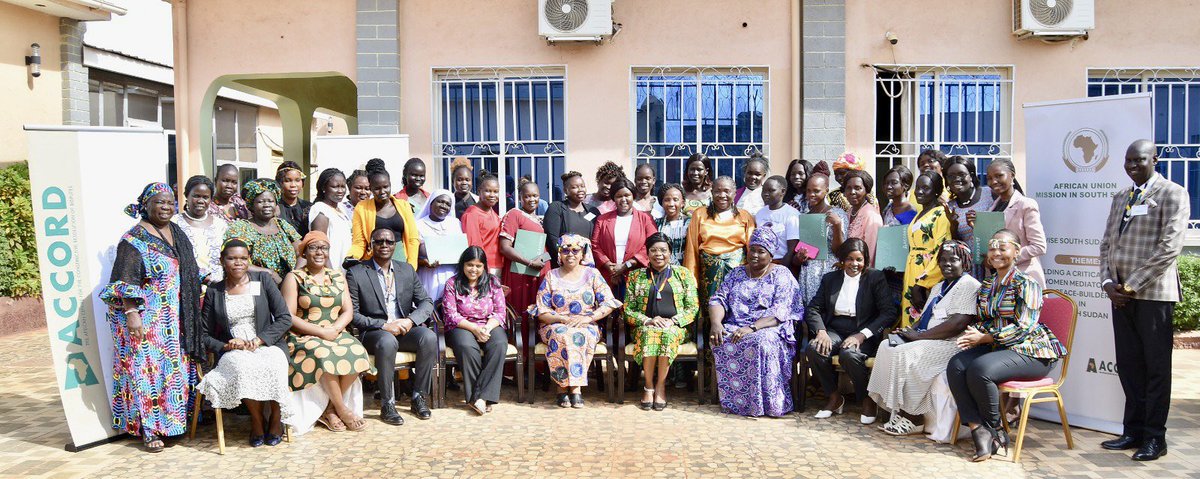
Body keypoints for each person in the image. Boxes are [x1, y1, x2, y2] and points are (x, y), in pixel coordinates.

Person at [1098, 139, 1190, 461]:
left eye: (1139, 160)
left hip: (1152, 295)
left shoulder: (1173, 193)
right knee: (1129, 365)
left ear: (1155, 159)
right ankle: (1132, 431)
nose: (1132, 166)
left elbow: (1169, 248)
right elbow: (1108, 243)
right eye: (1128, 161)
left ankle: (1155, 438)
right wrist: (1108, 282)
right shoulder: (1121, 196)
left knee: (1155, 369)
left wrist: (1132, 285)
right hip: (1120, 296)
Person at [947, 229, 1066, 462]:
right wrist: (975, 333)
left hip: (1032, 352)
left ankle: (995, 431)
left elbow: (1025, 327)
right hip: (999, 348)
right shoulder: (987, 284)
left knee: (980, 369)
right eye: (992, 248)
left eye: (1003, 247)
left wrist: (985, 339)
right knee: (957, 365)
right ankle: (976, 428)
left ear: (1016, 251)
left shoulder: (1026, 283)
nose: (997, 253)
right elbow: (984, 320)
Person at [100, 182, 201, 452]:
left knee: (171, 375)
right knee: (145, 374)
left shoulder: (176, 231)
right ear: (145, 205)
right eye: (159, 202)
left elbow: (188, 271)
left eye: (170, 202)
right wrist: (133, 314)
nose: (166, 207)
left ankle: (172, 425)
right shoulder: (133, 239)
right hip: (146, 321)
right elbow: (125, 281)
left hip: (173, 321)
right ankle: (149, 430)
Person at [867, 240, 980, 437]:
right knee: (887, 345)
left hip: (952, 343)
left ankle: (913, 417)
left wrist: (918, 337)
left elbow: (959, 323)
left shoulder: (969, 285)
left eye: (953, 260)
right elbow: (925, 317)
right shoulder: (939, 287)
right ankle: (891, 408)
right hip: (928, 338)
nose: (947, 264)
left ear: (966, 263)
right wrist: (907, 332)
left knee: (904, 353)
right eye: (942, 260)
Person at [197, 239, 295, 447]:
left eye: (243, 258)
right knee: (242, 367)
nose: (238, 263)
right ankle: (258, 421)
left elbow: (284, 318)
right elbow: (204, 334)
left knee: (275, 363)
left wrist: (260, 340)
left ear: (248, 260)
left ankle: (276, 419)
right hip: (234, 350)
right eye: (232, 258)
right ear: (223, 261)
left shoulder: (262, 281)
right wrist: (225, 346)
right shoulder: (215, 291)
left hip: (268, 344)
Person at [282, 231, 375, 433]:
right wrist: (320, 332)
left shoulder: (337, 276)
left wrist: (335, 328)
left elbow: (348, 310)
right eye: (313, 247)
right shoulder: (294, 277)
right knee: (323, 353)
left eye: (323, 248)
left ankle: (330, 409)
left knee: (357, 351)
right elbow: (289, 317)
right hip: (303, 334)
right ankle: (342, 409)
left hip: (334, 331)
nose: (319, 252)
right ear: (304, 253)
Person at [345, 228, 437, 424]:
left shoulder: (406, 270)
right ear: (371, 245)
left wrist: (410, 321)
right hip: (373, 333)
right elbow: (354, 314)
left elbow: (426, 302)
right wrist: (384, 325)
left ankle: (419, 397)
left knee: (428, 337)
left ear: (396, 245)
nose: (384, 245)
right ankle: (387, 403)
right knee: (387, 341)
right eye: (379, 242)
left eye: (389, 242)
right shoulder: (356, 273)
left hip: (403, 328)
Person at [709, 227, 801, 417]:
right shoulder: (736, 274)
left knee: (761, 341)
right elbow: (718, 299)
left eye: (761, 251)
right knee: (722, 338)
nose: (755, 255)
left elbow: (780, 311)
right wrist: (716, 323)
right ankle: (738, 403)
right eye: (753, 250)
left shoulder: (782, 274)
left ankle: (768, 405)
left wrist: (752, 327)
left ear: (771, 253)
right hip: (737, 325)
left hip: (771, 327)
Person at [805, 239, 896, 423]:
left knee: (849, 355)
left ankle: (866, 399)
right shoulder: (830, 279)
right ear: (842, 260)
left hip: (863, 330)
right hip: (835, 328)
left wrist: (862, 335)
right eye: (849, 259)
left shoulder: (875, 278)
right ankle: (834, 397)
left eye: (859, 260)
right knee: (814, 349)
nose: (854, 264)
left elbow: (888, 312)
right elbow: (813, 308)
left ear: (866, 260)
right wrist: (821, 332)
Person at [530, 234, 622, 408]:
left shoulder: (592, 274)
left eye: (575, 250)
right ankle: (562, 388)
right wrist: (562, 318)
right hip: (555, 323)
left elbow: (609, 302)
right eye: (565, 250)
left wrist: (588, 318)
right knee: (562, 335)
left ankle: (575, 388)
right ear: (559, 254)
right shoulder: (551, 276)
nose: (570, 254)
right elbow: (541, 310)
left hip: (586, 323)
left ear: (582, 254)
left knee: (579, 334)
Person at [623, 233, 699, 411]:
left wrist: (673, 321)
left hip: (676, 328)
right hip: (644, 327)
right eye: (654, 250)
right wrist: (648, 320)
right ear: (647, 253)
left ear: (670, 253)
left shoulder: (683, 274)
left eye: (663, 250)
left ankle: (660, 386)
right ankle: (648, 386)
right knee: (651, 334)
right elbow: (628, 309)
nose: (659, 254)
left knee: (665, 334)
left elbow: (693, 307)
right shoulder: (636, 276)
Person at [441, 246, 508, 415]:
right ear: (463, 264)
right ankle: (478, 397)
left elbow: (500, 312)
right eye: (470, 265)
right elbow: (451, 315)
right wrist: (474, 328)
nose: (474, 269)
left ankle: (480, 397)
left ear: (484, 266)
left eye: (478, 266)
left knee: (499, 344)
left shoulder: (493, 282)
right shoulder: (452, 283)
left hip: (489, 324)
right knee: (467, 348)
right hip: (462, 326)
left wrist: (486, 327)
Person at [684, 176, 756, 310]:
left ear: (734, 193)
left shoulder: (745, 216)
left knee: (736, 310)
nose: (722, 195)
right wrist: (691, 280)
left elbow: (752, 249)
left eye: (727, 191)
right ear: (711, 192)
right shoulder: (700, 214)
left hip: (737, 273)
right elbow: (691, 248)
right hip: (709, 273)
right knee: (711, 311)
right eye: (718, 191)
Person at [984, 158, 1047, 287]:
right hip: (997, 281)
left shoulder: (1026, 205)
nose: (993, 181)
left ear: (1012, 175)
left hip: (1023, 279)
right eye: (989, 178)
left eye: (999, 176)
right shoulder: (992, 208)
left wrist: (1006, 258)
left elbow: (1039, 246)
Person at [792, 163, 848, 305]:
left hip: (828, 271)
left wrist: (837, 226)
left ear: (826, 191)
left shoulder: (838, 214)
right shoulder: (805, 216)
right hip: (808, 272)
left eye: (816, 191)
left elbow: (840, 251)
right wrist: (800, 257)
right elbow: (799, 251)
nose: (811, 195)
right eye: (808, 191)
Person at [224, 179, 301, 284]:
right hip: (255, 285)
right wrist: (270, 273)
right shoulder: (240, 228)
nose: (266, 205)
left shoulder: (283, 225)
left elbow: (301, 252)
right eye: (260, 201)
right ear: (251, 205)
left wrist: (293, 277)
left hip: (288, 286)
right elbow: (235, 261)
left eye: (270, 201)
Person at [900, 171, 952, 326]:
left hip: (927, 274)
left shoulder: (941, 214)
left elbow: (942, 250)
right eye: (918, 187)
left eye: (926, 188)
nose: (920, 191)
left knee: (923, 316)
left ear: (936, 190)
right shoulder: (919, 214)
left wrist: (922, 284)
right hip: (912, 271)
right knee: (910, 316)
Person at [591, 178, 658, 295]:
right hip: (609, 275)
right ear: (613, 198)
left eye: (627, 195)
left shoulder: (645, 218)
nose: (623, 199)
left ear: (633, 196)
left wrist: (626, 265)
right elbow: (595, 245)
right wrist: (610, 266)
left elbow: (652, 243)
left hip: (636, 274)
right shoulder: (602, 220)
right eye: (619, 196)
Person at [348, 163, 420, 268]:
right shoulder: (361, 208)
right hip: (374, 262)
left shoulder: (404, 206)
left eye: (386, 187)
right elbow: (359, 242)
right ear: (371, 189)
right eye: (377, 188)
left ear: (390, 184)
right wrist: (352, 256)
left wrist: (411, 266)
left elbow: (412, 239)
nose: (382, 192)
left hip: (401, 260)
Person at [499, 180, 549, 316]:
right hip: (521, 273)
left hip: (538, 272)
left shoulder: (539, 219)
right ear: (520, 198)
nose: (532, 199)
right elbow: (504, 247)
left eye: (535, 195)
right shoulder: (514, 214)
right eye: (527, 196)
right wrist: (530, 263)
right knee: (520, 311)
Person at [944, 156, 994, 279]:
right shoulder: (950, 207)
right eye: (951, 176)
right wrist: (953, 226)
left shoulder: (989, 194)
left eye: (961, 174)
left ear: (971, 176)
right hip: (967, 271)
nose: (956, 179)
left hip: (991, 263)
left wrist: (980, 225)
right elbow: (956, 244)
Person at [173, 175, 229, 284]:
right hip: (187, 287)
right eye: (196, 196)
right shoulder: (174, 223)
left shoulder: (220, 225)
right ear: (186, 196)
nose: (200, 201)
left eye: (205, 197)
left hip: (217, 288)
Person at [543, 171, 601, 268]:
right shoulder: (556, 208)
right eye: (575, 187)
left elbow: (597, 241)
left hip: (587, 267)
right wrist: (570, 259)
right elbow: (552, 240)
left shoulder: (592, 211)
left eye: (582, 186)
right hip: (564, 265)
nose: (580, 190)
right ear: (566, 190)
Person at [415, 189, 460, 300]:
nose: (443, 206)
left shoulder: (455, 224)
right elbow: (412, 252)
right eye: (440, 202)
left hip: (451, 273)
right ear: (431, 203)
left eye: (448, 204)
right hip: (428, 274)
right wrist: (423, 262)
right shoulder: (418, 225)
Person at [308, 168, 353, 271]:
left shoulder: (341, 208)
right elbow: (319, 247)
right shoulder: (321, 210)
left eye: (343, 187)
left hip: (344, 269)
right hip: (330, 270)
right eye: (335, 187)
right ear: (324, 188)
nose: (340, 191)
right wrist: (332, 274)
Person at [461, 172, 503, 272]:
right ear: (479, 191)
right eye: (488, 191)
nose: (492, 195)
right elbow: (474, 246)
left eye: (496, 191)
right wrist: (483, 270)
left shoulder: (493, 213)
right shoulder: (472, 214)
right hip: (484, 268)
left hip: (498, 266)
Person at [754, 175, 800, 266]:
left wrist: (780, 270)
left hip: (782, 263)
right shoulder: (760, 213)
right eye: (764, 190)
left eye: (771, 190)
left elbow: (791, 250)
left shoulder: (792, 214)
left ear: (782, 192)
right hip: (761, 263)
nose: (766, 194)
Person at [845, 170, 884, 267]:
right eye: (848, 188)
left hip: (863, 273)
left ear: (866, 190)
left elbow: (871, 253)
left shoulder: (872, 216)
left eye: (857, 188)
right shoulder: (848, 212)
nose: (852, 192)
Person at [654, 183, 690, 266]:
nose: (671, 204)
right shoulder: (656, 224)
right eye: (667, 200)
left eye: (675, 199)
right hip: (662, 269)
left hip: (684, 269)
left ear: (683, 203)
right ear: (661, 203)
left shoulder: (689, 223)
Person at [276, 161, 312, 236]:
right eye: (287, 181)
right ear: (279, 183)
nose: (293, 185)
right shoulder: (274, 208)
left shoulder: (309, 207)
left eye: (297, 180)